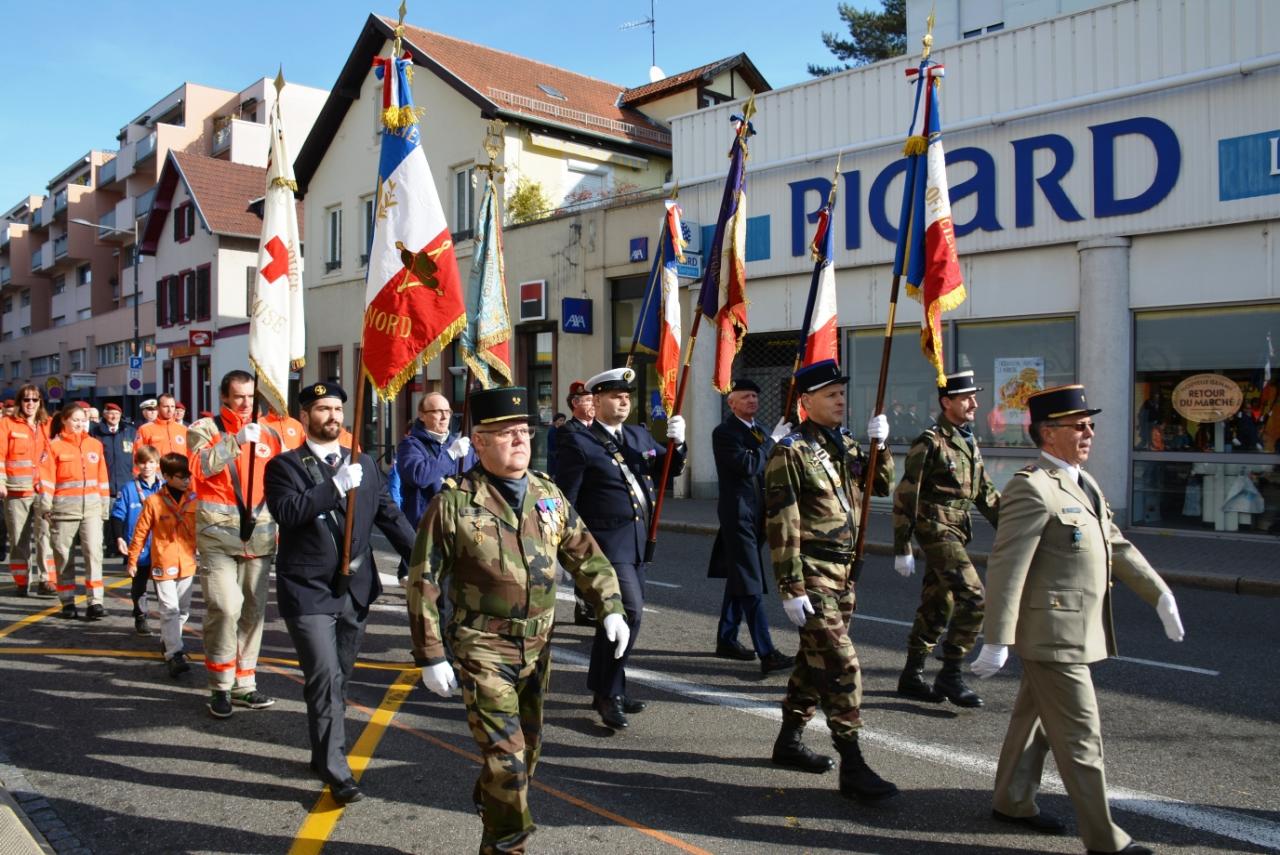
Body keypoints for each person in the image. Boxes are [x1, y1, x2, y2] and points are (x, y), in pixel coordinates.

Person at [971, 384, 1186, 855]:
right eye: (1079, 425)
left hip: (1073, 631)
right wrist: (997, 638)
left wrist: (1159, 594)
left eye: (1090, 424)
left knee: (1036, 720)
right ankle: (1105, 839)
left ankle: (1011, 799)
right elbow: (1007, 566)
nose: (1089, 432)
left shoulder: (1083, 482)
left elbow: (1118, 545)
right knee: (1081, 737)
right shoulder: (1032, 487)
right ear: (1049, 434)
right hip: (1052, 635)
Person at [410, 385, 625, 854]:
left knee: (523, 759)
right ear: (480, 442)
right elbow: (423, 582)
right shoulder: (453, 503)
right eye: (506, 433)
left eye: (524, 431)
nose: (519, 440)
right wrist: (430, 655)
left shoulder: (548, 494)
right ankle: (509, 847)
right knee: (508, 764)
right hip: (482, 646)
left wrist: (610, 605)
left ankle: (493, 800)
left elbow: (586, 554)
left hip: (538, 647)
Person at [266, 382, 416, 806]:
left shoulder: (363, 462)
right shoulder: (285, 467)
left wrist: (424, 556)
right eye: (322, 409)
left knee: (339, 678)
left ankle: (321, 753)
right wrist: (334, 487)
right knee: (325, 677)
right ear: (306, 416)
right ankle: (337, 769)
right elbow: (289, 512)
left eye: (337, 408)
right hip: (309, 591)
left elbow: (390, 515)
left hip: (355, 588)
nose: (332, 415)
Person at [763, 359, 897, 801]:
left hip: (844, 574)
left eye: (842, 393)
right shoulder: (792, 452)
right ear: (806, 402)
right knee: (841, 664)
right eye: (831, 394)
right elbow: (782, 522)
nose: (841, 400)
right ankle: (852, 762)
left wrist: (883, 445)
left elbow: (880, 486)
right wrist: (791, 586)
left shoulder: (846, 445)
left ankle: (788, 740)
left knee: (813, 660)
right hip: (814, 573)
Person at [555, 367, 686, 729]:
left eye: (627, 395)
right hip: (605, 547)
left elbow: (666, 471)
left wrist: (679, 444)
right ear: (595, 402)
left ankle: (608, 686)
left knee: (617, 622)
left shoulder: (638, 434)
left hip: (638, 543)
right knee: (629, 612)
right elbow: (567, 499)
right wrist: (568, 552)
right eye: (615, 395)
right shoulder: (577, 441)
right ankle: (608, 693)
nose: (624, 400)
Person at [892, 370, 1000, 707]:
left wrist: (1015, 531)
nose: (974, 403)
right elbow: (906, 494)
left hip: (957, 528)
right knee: (973, 596)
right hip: (935, 527)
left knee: (939, 602)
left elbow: (985, 493)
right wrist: (902, 545)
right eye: (966, 398)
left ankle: (912, 675)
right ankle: (951, 673)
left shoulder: (968, 439)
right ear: (946, 402)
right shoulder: (930, 441)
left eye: (973, 397)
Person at [188, 370, 284, 718]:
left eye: (250, 396)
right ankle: (220, 686)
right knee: (225, 608)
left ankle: (245, 684)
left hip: (259, 536)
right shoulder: (205, 428)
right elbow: (199, 468)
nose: (245, 403)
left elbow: (280, 483)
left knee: (253, 614)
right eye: (239, 397)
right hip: (217, 537)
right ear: (225, 398)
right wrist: (236, 441)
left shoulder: (270, 433)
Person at [707, 378, 793, 674]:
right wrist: (772, 443)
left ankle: (727, 639)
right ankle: (767, 652)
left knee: (739, 577)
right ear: (731, 403)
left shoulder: (761, 431)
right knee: (751, 582)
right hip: (738, 513)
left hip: (759, 515)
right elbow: (747, 466)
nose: (752, 401)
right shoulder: (725, 433)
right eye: (745, 397)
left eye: (755, 396)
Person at [125, 453, 197, 678]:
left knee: (183, 610)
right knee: (169, 609)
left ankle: (168, 640)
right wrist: (133, 559)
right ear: (165, 476)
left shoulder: (195, 499)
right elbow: (140, 532)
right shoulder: (154, 502)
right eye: (180, 477)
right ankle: (175, 654)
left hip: (187, 563)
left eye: (188, 476)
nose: (186, 480)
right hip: (163, 563)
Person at [38, 403, 110, 620]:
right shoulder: (54, 446)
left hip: (92, 510)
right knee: (64, 557)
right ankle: (68, 601)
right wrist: (45, 507)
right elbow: (47, 480)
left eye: (82, 420)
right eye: (75, 420)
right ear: (64, 421)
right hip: (63, 511)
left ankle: (95, 601)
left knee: (94, 554)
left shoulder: (95, 445)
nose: (79, 424)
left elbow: (102, 478)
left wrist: (104, 508)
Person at [396, 392, 475, 581]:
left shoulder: (460, 445)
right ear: (422, 415)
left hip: (459, 524)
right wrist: (449, 456)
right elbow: (419, 476)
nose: (445, 416)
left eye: (447, 411)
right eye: (438, 411)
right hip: (427, 525)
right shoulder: (411, 445)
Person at [0, 384, 55, 596]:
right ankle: (22, 580)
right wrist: (1, 482)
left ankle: (47, 580)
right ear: (20, 402)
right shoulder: (7, 424)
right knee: (18, 538)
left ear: (40, 402)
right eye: (26, 400)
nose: (30, 404)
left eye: (34, 399)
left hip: (43, 490)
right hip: (16, 490)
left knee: (46, 535)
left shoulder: (48, 424)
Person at [112, 444, 163, 636]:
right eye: (142, 463)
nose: (147, 467)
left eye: (151, 462)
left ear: (157, 464)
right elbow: (117, 515)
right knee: (139, 584)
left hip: (161, 545)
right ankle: (140, 616)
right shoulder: (128, 489)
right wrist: (118, 537)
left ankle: (168, 617)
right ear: (136, 465)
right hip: (138, 544)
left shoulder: (165, 487)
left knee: (163, 584)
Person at [561, 380, 596, 625]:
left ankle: (589, 606)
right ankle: (584, 608)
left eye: (594, 400)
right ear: (575, 404)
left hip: (598, 502)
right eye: (587, 400)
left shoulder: (599, 429)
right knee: (583, 558)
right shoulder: (569, 431)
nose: (593, 404)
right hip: (582, 503)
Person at [137, 393, 185, 457]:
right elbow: (138, 456)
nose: (170, 410)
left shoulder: (183, 429)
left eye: (172, 406)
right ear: (158, 408)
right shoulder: (145, 429)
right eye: (166, 406)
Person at [545, 412, 567, 477]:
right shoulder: (552, 430)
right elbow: (555, 443)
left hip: (558, 455)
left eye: (563, 420)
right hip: (553, 455)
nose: (562, 422)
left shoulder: (561, 429)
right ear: (555, 421)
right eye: (560, 420)